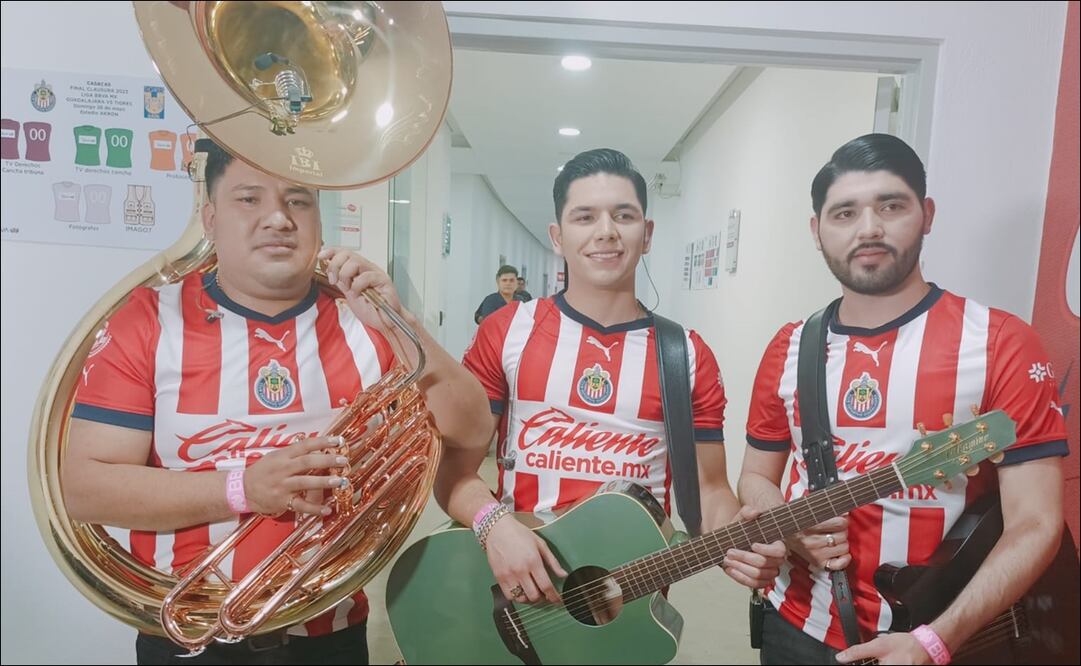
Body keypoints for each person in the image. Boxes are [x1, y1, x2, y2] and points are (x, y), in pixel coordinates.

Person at [62, 142, 491, 665]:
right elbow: (84, 488)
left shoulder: (366, 321)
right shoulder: (148, 319)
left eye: (298, 201)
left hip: (331, 634)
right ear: (211, 219)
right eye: (249, 199)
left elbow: (470, 430)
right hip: (190, 638)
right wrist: (245, 488)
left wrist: (398, 320)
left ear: (318, 219)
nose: (277, 218)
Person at [738, 133, 1068, 665]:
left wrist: (937, 640)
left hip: (941, 630)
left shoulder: (998, 342)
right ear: (816, 230)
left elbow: (1037, 521)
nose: (869, 228)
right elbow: (755, 477)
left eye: (891, 206)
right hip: (795, 623)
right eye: (844, 213)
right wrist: (787, 520)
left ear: (927, 214)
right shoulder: (789, 347)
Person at [435, 148, 786, 607]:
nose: (606, 232)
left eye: (624, 215)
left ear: (648, 234)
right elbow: (453, 469)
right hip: (519, 601)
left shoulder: (686, 356)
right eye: (585, 217)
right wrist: (493, 524)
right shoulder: (508, 332)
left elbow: (709, 490)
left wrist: (737, 539)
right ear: (558, 236)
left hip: (629, 610)